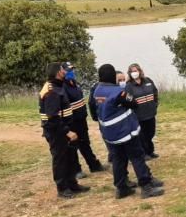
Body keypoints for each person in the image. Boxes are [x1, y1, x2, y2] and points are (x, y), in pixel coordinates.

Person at [89, 64, 164, 199]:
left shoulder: (97, 90)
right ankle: (146, 186)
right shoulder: (118, 92)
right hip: (125, 131)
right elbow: (133, 103)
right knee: (137, 157)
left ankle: (121, 188)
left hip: (109, 134)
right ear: (113, 76)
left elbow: (94, 110)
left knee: (118, 159)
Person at [40, 62, 89, 199]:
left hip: (65, 129)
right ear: (57, 72)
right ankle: (62, 188)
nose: (65, 72)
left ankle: (72, 184)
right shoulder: (51, 91)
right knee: (60, 160)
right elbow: (53, 117)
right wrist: (67, 131)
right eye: (63, 69)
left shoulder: (58, 86)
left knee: (71, 157)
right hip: (57, 132)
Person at [61, 62, 106, 176]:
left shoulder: (75, 84)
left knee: (85, 143)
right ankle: (76, 170)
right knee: (73, 146)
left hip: (81, 120)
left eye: (72, 69)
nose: (71, 72)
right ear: (62, 72)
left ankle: (94, 165)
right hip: (71, 122)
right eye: (68, 70)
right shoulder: (62, 87)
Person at [125, 63, 159, 160]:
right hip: (138, 116)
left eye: (136, 70)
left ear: (140, 71)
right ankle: (143, 153)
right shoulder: (129, 86)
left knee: (150, 133)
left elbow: (155, 93)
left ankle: (150, 151)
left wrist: (155, 105)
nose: (134, 73)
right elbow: (128, 101)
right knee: (141, 136)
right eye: (132, 71)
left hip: (151, 114)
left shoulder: (148, 81)